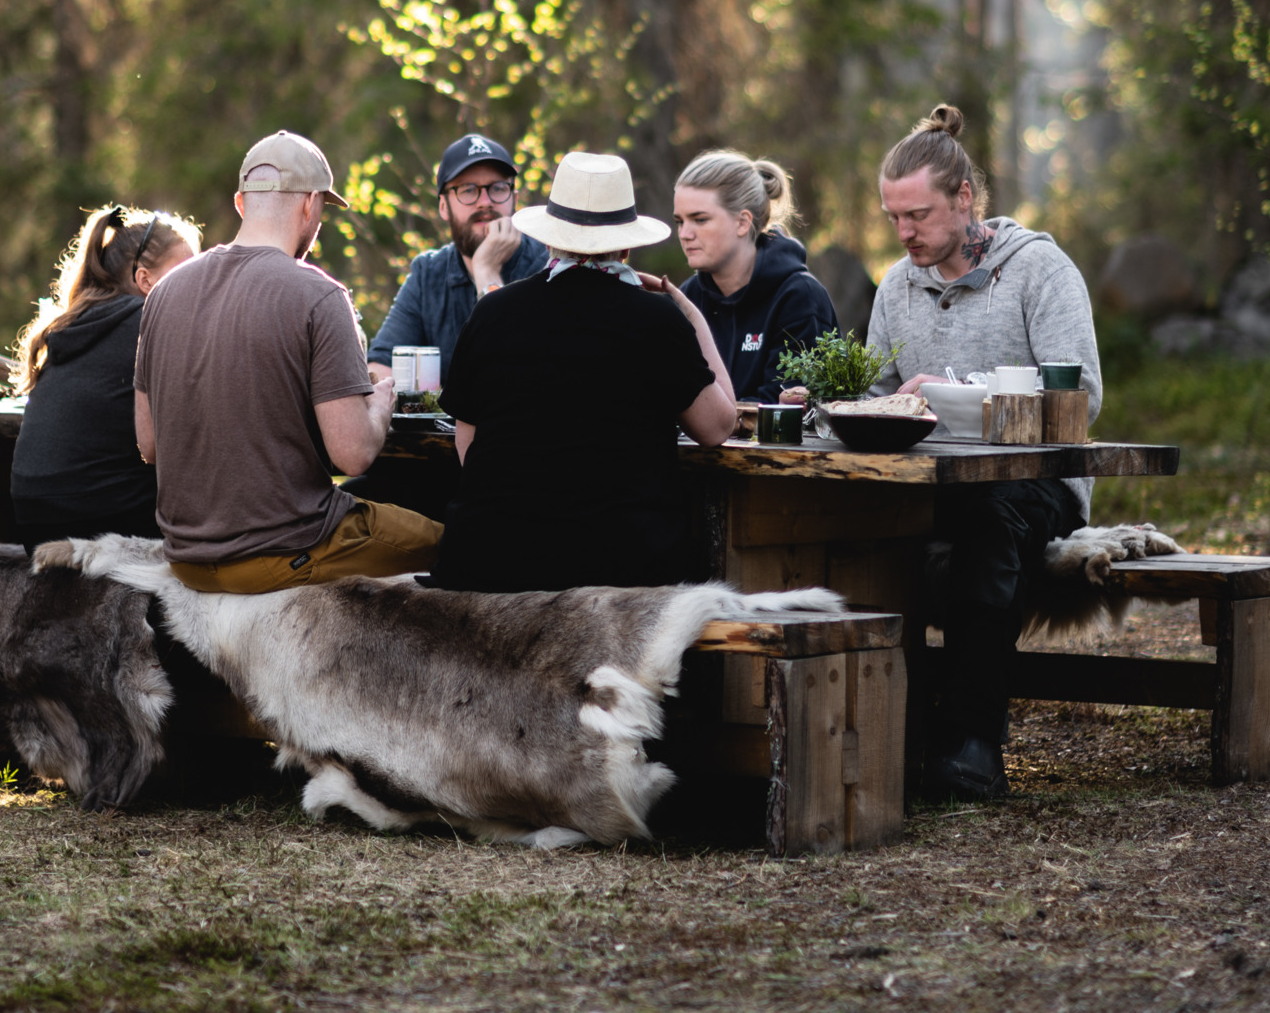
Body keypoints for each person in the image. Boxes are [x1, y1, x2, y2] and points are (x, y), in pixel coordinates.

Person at [866, 102, 1102, 803]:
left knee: (990, 520)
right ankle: (872, 730)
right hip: (930, 482)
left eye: (920, 216)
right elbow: (881, 391)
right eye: (894, 219)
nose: (906, 233)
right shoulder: (895, 287)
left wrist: (957, 390)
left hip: (1037, 484)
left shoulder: (1038, 270)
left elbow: (1081, 395)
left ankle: (970, 742)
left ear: (964, 199)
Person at [426, 151, 738, 593]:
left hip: (489, 568)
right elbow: (718, 427)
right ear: (627, 247)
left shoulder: (492, 312)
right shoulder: (657, 320)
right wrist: (691, 314)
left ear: (551, 240)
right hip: (624, 576)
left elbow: (468, 447)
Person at [133, 131, 431, 592]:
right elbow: (353, 456)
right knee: (455, 542)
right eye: (323, 212)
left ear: (240, 203)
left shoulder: (163, 294)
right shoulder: (320, 295)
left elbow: (149, 445)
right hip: (287, 553)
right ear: (311, 204)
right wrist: (379, 404)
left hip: (186, 561)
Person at [7, 205, 200, 550]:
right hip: (102, 520)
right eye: (186, 274)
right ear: (145, 280)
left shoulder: (77, 322)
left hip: (34, 523)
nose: (198, 286)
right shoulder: (150, 320)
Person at [366, 132, 549, 377]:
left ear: (514, 200)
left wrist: (487, 272)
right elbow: (380, 367)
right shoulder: (428, 275)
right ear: (443, 206)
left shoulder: (548, 269)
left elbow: (512, 377)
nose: (485, 202)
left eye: (497, 188)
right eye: (468, 190)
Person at [673, 151, 838, 402]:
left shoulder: (800, 297)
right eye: (679, 221)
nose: (685, 233)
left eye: (700, 219)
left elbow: (785, 405)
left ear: (742, 222)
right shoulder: (688, 296)